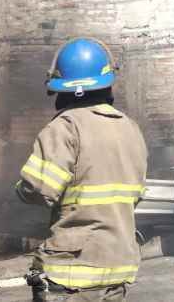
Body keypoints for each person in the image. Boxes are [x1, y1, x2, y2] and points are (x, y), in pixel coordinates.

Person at [15, 38, 148, 302]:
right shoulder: (130, 129)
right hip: (120, 264)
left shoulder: (66, 127)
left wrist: (21, 189)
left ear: (65, 89)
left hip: (73, 270)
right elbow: (136, 194)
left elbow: (39, 189)